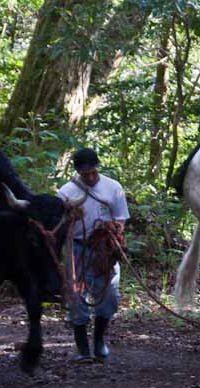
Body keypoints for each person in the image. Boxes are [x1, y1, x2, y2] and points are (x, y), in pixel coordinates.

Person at [58, 147, 130, 362]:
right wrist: (70, 216)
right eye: (84, 173)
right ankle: (82, 348)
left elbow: (121, 217)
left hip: (104, 249)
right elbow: (59, 224)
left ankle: (99, 341)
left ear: (98, 167)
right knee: (76, 296)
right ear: (78, 172)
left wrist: (114, 228)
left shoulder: (113, 188)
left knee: (109, 295)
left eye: (93, 172)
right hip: (77, 247)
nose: (89, 177)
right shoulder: (65, 192)